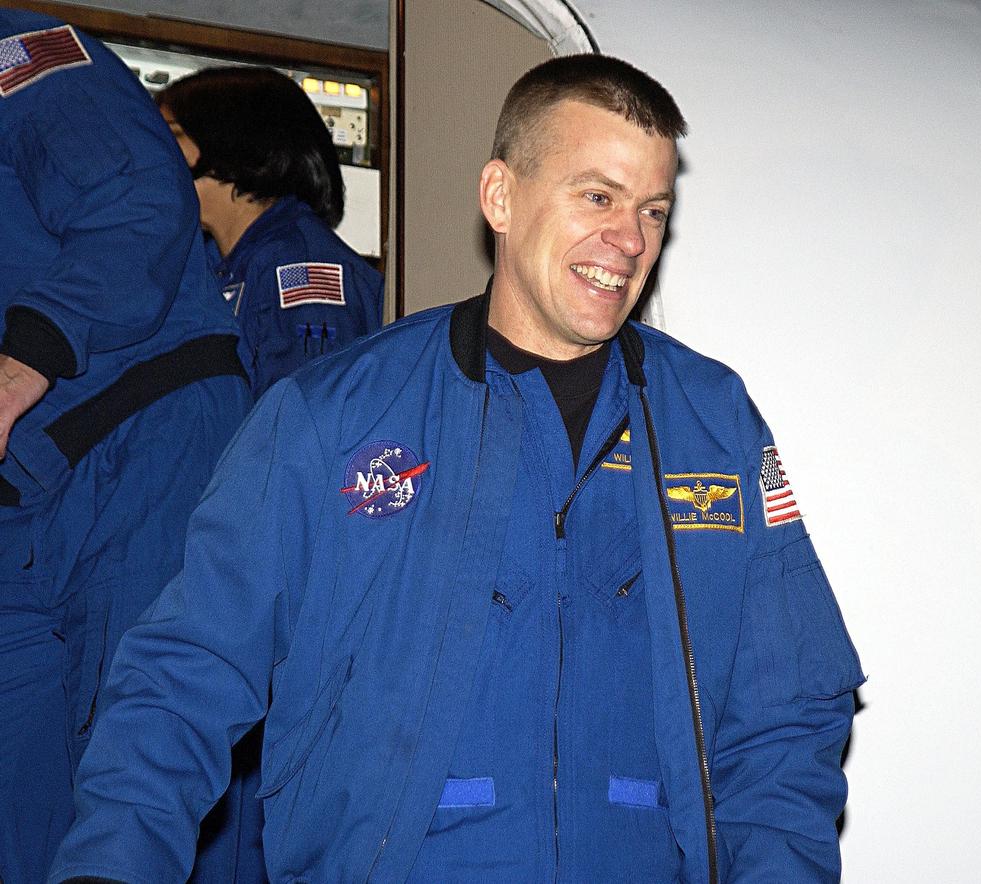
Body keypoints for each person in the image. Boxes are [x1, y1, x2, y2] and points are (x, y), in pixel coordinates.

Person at [51, 54, 864, 882]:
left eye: (654, 209)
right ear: (500, 197)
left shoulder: (709, 422)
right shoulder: (334, 419)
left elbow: (790, 708)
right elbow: (179, 680)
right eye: (598, 196)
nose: (629, 240)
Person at [0, 9, 251, 883]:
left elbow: (136, 195)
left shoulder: (19, 53)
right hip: (29, 494)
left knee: (148, 758)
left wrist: (24, 357)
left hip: (134, 434)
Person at [157, 66, 384, 400]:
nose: (152, 150)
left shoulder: (301, 265)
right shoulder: (209, 265)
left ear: (232, 141)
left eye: (171, 134)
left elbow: (304, 418)